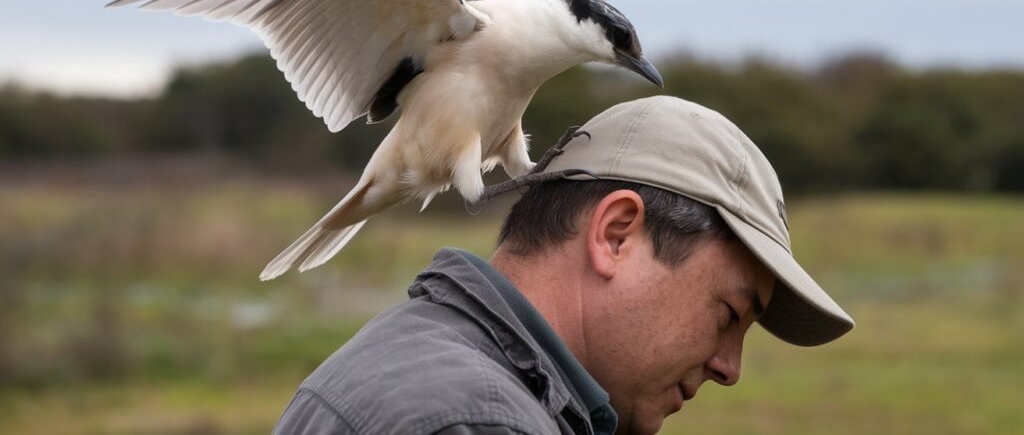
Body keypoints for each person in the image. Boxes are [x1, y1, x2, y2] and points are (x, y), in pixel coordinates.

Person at [271, 96, 855, 435]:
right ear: (616, 235)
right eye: (729, 314)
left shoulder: (420, 353)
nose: (731, 368)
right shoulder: (479, 423)